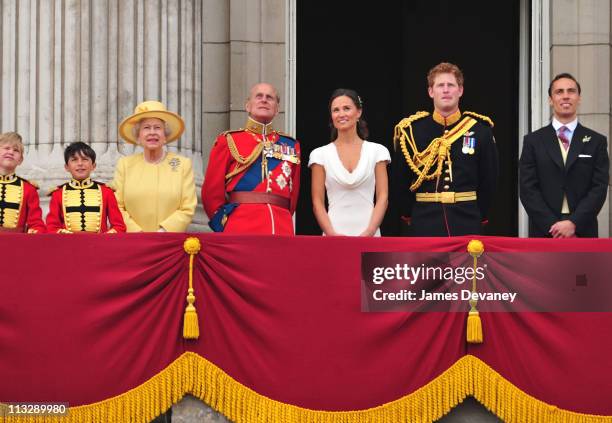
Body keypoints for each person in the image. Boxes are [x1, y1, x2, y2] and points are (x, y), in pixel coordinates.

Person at [390, 62, 498, 236]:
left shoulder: (480, 131)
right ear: (431, 91)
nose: (446, 90)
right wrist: (410, 213)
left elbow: (489, 180)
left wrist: (480, 214)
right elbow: (400, 180)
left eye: (451, 85)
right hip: (425, 222)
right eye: (440, 85)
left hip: (466, 221)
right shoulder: (412, 131)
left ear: (460, 90)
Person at [202, 82, 301, 234]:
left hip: (280, 225)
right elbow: (211, 193)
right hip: (239, 226)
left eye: (270, 97)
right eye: (259, 96)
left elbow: (292, 197)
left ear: (277, 109)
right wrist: (224, 225)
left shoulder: (291, 145)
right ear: (248, 106)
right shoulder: (228, 140)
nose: (264, 100)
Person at [519, 73, 609, 238]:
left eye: (571, 91)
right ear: (550, 100)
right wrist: (553, 227)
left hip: (583, 230)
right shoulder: (533, 141)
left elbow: (599, 188)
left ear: (579, 98)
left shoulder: (597, 141)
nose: (566, 96)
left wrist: (574, 223)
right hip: (544, 231)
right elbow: (527, 189)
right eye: (559, 92)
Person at [308, 89, 390, 236]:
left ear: (358, 112)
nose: (341, 114)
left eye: (347, 108)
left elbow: (383, 197)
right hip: (333, 236)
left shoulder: (378, 151)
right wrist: (331, 234)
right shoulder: (319, 154)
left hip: (370, 235)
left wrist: (370, 232)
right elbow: (317, 202)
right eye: (336, 110)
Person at [113, 101, 197, 232]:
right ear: (138, 136)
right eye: (146, 128)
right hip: (132, 241)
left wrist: (163, 232)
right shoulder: (125, 165)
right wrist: (137, 232)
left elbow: (188, 207)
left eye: (158, 128)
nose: (152, 132)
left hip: (169, 241)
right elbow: (117, 206)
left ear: (165, 135)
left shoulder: (182, 164)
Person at [46, 142, 126, 234]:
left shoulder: (106, 192)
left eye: (85, 159)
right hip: (68, 246)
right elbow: (51, 227)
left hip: (98, 246)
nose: (80, 163)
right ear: (67, 167)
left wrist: (106, 237)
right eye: (74, 160)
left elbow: (119, 226)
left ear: (93, 166)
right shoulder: (58, 194)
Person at [0, 132, 46, 233]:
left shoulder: (28, 189)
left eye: (16, 150)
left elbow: (36, 224)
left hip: (15, 245)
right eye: (7, 148)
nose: (11, 152)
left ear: (20, 160)